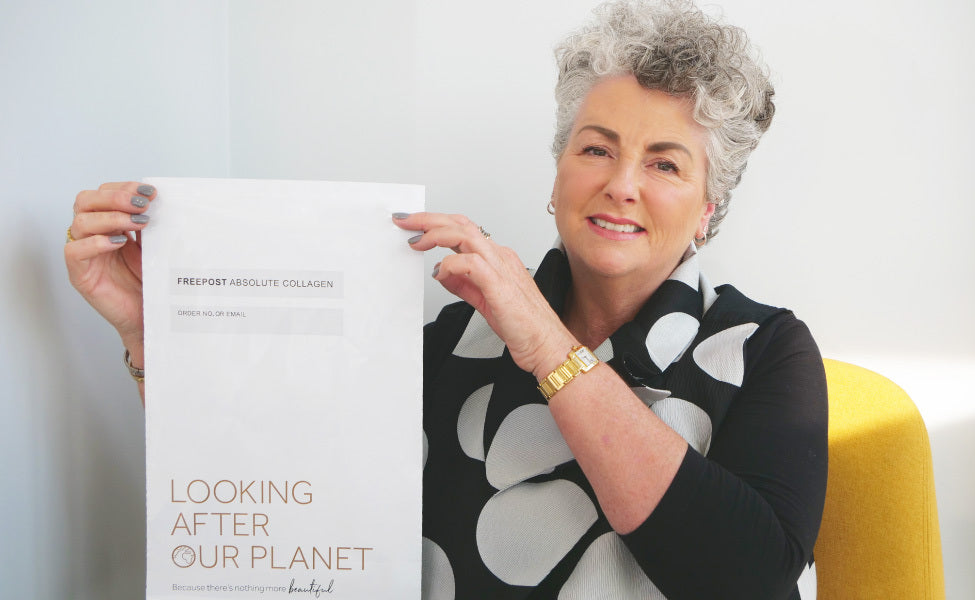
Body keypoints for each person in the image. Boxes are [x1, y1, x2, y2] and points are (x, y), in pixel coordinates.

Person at [66, 0, 827, 598]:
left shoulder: (767, 351)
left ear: (707, 209)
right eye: (595, 147)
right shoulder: (454, 339)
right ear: (558, 172)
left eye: (665, 163)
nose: (620, 183)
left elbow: (748, 580)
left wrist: (544, 343)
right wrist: (154, 331)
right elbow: (285, 489)